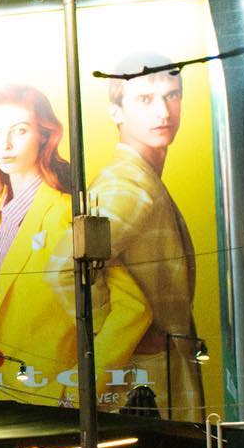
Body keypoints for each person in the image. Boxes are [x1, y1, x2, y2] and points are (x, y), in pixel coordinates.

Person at [0, 84, 146, 404]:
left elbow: (133, 308)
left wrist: (81, 387)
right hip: (1, 393)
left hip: (52, 397)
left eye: (19, 130)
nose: (5, 144)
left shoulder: (66, 212)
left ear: (44, 134)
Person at [80, 54, 203, 418]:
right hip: (146, 383)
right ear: (116, 111)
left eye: (172, 95)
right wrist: (128, 332)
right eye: (145, 99)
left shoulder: (142, 179)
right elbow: (65, 270)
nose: (163, 112)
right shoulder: (127, 186)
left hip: (156, 378)